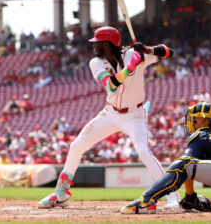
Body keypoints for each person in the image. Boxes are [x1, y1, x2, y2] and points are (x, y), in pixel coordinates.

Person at [38, 26, 180, 210]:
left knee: (144, 152)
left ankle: (174, 198)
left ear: (110, 44)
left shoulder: (133, 53)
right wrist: (130, 67)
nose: (96, 46)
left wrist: (147, 50)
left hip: (135, 115)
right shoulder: (96, 62)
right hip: (110, 113)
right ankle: (61, 195)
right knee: (76, 146)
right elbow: (111, 86)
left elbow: (169, 52)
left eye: (99, 43)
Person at [120, 102, 211, 214]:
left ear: (202, 120)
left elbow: (188, 161)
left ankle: (146, 201)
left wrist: (190, 196)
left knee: (183, 163)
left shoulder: (200, 134)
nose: (191, 122)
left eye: (194, 119)